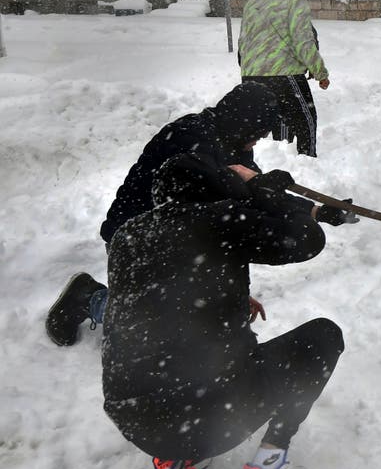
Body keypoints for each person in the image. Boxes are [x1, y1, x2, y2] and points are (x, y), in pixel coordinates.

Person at [101, 153, 343, 469]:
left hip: (135, 421)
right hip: (209, 417)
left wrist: (225, 294)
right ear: (214, 189)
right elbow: (307, 239)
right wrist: (263, 193)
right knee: (324, 337)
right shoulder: (217, 219)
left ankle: (174, 462)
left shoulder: (128, 237)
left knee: (170, 362)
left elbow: (154, 297)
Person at [44, 81, 355, 347]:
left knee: (194, 322)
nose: (258, 140)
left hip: (183, 238)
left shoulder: (233, 140)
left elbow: (257, 194)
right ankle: (88, 298)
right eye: (257, 132)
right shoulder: (191, 140)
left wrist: (317, 210)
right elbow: (236, 196)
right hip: (137, 237)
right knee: (154, 332)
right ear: (243, 122)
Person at [238, 0, 330, 158]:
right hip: (284, 75)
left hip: (251, 76)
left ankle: (281, 160)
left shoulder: (253, 2)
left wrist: (251, 70)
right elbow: (303, 42)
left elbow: (243, 42)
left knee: (278, 120)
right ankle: (308, 163)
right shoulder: (294, 1)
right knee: (306, 120)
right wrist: (320, 72)